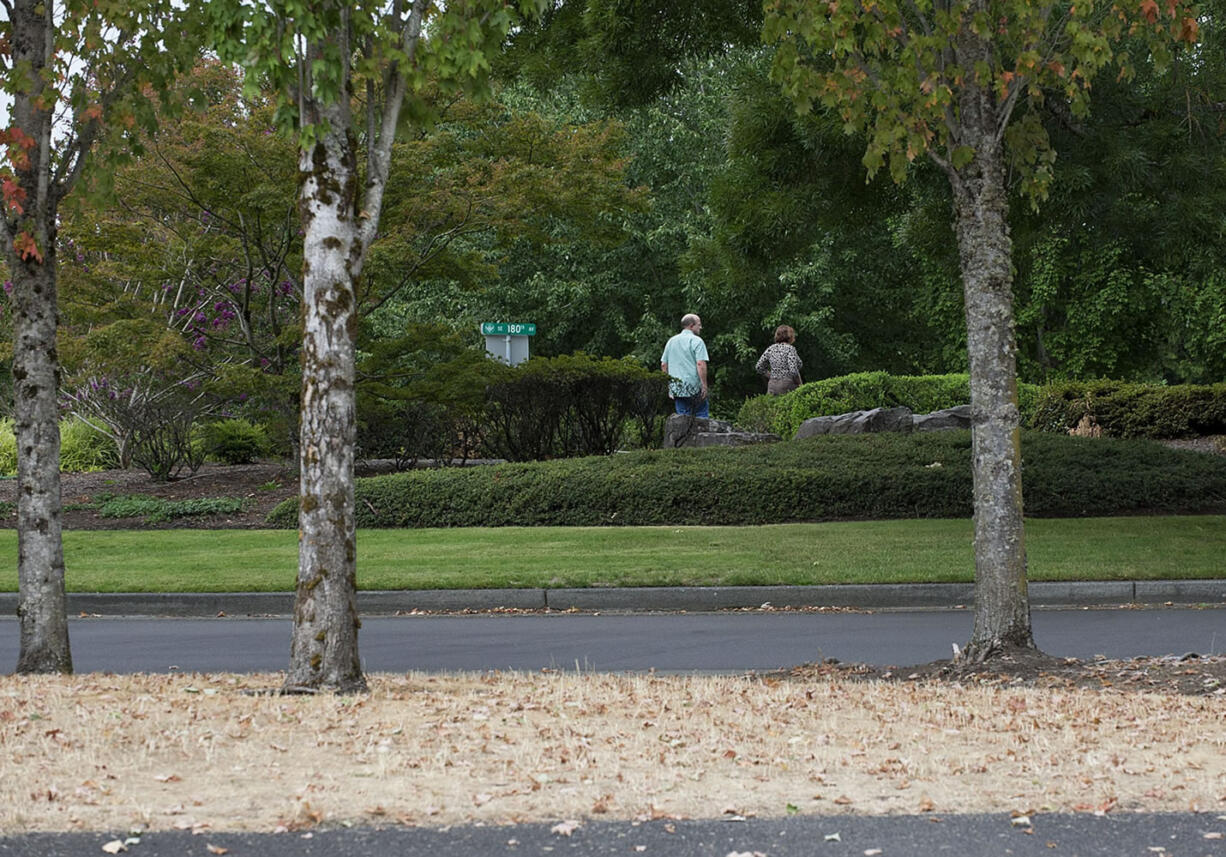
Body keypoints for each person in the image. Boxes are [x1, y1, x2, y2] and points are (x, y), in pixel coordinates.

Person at [660, 313, 710, 417]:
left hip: (677, 389)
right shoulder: (697, 341)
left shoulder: (671, 341)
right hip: (694, 388)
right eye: (699, 324)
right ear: (691, 325)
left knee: (682, 421)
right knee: (702, 419)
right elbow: (700, 364)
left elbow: (664, 365)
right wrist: (704, 386)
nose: (701, 327)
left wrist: (669, 386)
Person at [756, 324, 803, 395]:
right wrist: (800, 384)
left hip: (772, 386)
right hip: (787, 386)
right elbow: (793, 370)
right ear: (789, 336)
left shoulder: (770, 349)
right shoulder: (790, 349)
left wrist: (771, 376)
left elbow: (758, 367)